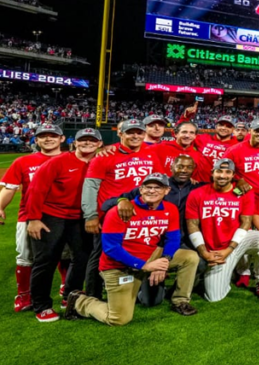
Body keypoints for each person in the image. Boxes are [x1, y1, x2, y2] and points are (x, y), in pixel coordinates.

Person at [64, 173, 199, 325]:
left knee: (190, 257)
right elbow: (111, 249)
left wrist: (164, 261)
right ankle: (80, 301)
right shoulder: (120, 211)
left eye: (158, 187)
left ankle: (180, 301)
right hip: (119, 266)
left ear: (167, 191)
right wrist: (144, 266)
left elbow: (173, 238)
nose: (152, 191)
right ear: (141, 189)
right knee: (119, 319)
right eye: (148, 187)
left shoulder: (170, 209)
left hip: (149, 256)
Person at [24, 128, 104, 322]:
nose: (87, 143)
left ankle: (71, 295)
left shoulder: (100, 162)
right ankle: (41, 305)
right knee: (46, 261)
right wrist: (34, 218)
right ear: (74, 143)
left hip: (81, 218)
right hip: (51, 216)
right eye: (82, 140)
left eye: (92, 140)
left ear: (100, 144)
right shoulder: (58, 162)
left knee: (82, 258)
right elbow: (36, 189)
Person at [185, 158, 259, 306]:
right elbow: (192, 225)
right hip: (215, 249)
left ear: (233, 175)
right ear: (212, 173)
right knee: (214, 296)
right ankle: (217, 275)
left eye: (227, 172)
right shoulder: (197, 193)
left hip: (236, 242)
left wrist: (230, 249)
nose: (222, 175)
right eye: (219, 171)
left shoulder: (243, 193)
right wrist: (204, 253)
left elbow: (246, 223)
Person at [82, 119, 159, 298]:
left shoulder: (150, 153)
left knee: (133, 250)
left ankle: (128, 290)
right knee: (101, 254)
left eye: (139, 132)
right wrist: (91, 215)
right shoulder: (105, 156)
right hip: (109, 214)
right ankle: (92, 295)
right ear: (120, 134)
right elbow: (90, 187)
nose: (135, 136)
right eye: (130, 132)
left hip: (139, 214)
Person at [1, 123, 67, 312]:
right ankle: (24, 294)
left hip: (63, 214)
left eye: (53, 135)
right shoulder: (22, 162)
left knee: (65, 253)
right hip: (29, 215)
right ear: (36, 140)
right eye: (43, 136)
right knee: (25, 255)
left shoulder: (72, 159)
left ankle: (66, 286)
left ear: (62, 139)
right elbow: (9, 188)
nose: (48, 139)